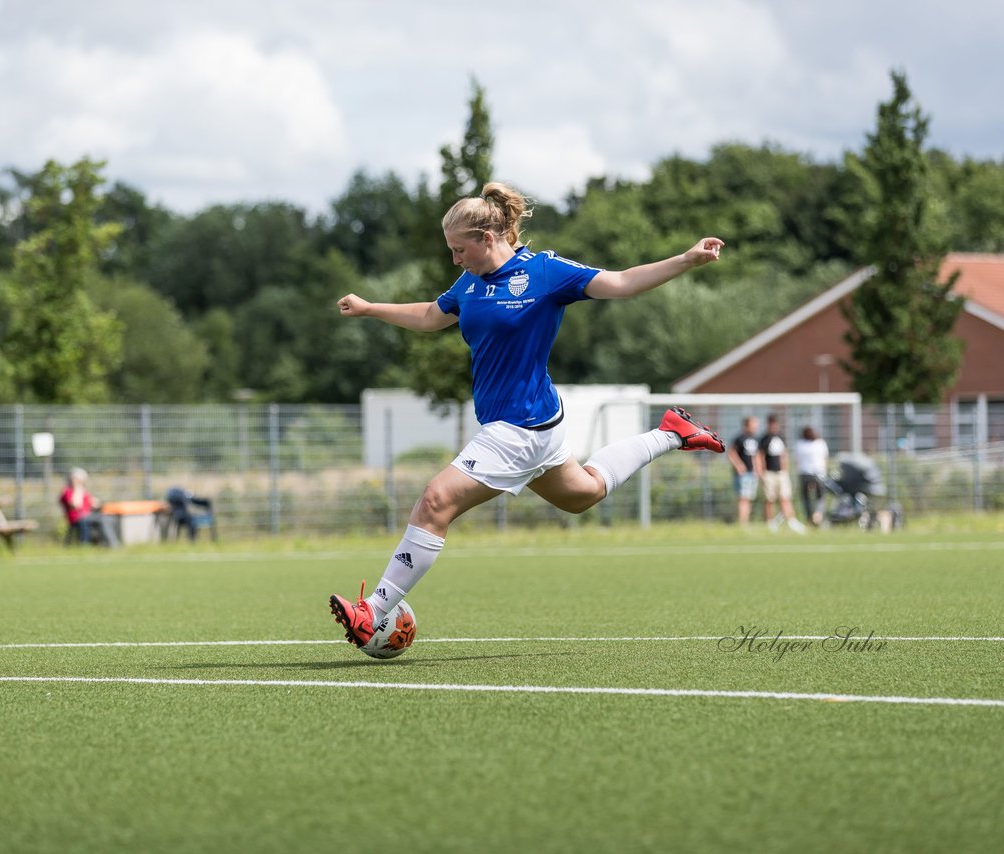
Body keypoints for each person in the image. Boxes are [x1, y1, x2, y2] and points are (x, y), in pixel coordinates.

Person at [328, 182, 726, 649]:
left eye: (460, 249)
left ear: (488, 237)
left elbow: (620, 283)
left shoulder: (544, 271)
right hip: (534, 424)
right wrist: (371, 307)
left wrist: (685, 259)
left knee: (436, 501)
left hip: (518, 428)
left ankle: (372, 610)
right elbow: (432, 316)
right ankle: (671, 433)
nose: (455, 259)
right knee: (584, 493)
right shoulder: (470, 282)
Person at [759, 414, 807, 533]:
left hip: (781, 473)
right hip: (769, 473)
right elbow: (760, 456)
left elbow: (784, 454)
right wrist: (761, 472)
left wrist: (785, 469)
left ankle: (791, 520)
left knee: (785, 497)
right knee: (770, 499)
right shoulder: (764, 439)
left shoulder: (781, 437)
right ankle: (770, 523)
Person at [59, 467, 119, 547]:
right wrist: (77, 488)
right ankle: (111, 544)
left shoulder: (83, 491)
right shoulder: (67, 491)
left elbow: (93, 503)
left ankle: (105, 542)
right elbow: (76, 505)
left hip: (87, 515)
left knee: (109, 518)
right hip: (78, 517)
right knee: (103, 519)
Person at [728, 416, 761, 527]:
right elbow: (731, 453)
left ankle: (746, 522)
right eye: (753, 424)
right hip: (743, 474)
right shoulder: (739, 438)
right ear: (746, 425)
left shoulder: (755, 439)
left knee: (749, 498)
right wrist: (739, 465)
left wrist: (758, 468)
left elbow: (756, 455)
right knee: (743, 498)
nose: (756, 427)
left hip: (752, 473)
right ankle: (743, 523)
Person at [794, 425, 830, 526]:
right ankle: (818, 513)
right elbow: (825, 459)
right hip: (819, 473)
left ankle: (809, 517)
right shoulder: (820, 443)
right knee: (821, 495)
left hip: (804, 473)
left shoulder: (800, 444)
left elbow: (797, 461)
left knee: (805, 497)